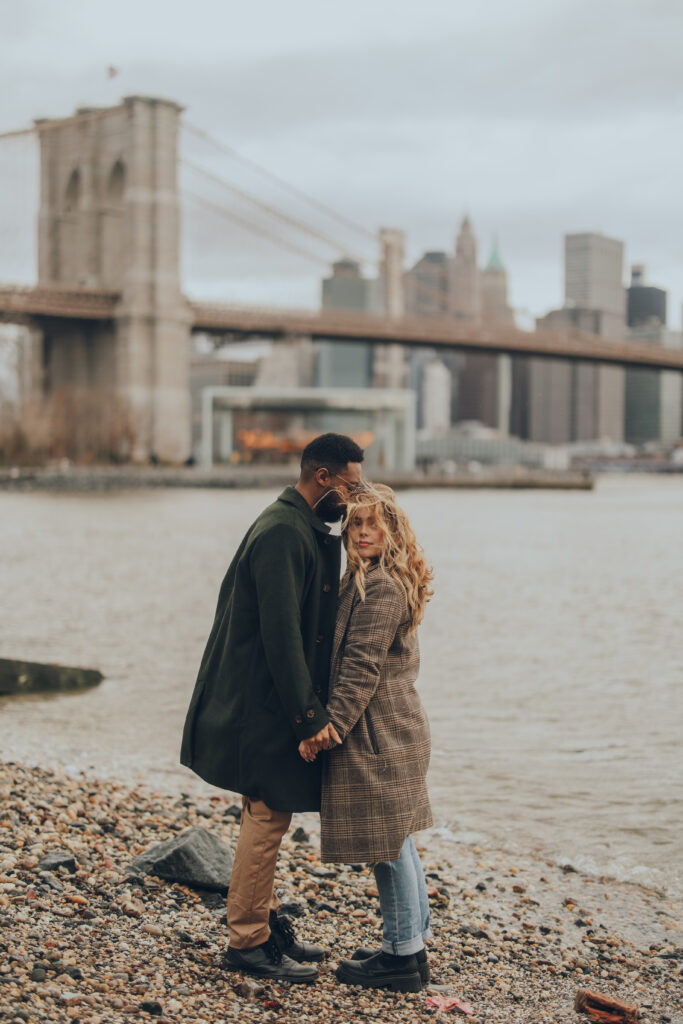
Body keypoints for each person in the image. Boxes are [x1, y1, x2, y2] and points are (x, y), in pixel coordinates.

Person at [180, 433, 364, 984]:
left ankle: (261, 924)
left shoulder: (295, 524)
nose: (353, 500)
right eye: (349, 486)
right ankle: (248, 942)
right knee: (266, 815)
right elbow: (283, 637)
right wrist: (309, 718)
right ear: (322, 477)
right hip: (257, 704)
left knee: (264, 813)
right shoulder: (285, 532)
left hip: (257, 699)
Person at [299, 484, 434, 993]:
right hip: (395, 728)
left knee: (387, 845)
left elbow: (360, 670)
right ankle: (411, 947)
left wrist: (325, 729)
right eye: (354, 524)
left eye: (373, 524)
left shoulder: (379, 588)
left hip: (381, 732)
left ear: (392, 529)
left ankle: (401, 958)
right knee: (397, 839)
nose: (361, 533)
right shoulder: (381, 578)